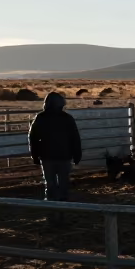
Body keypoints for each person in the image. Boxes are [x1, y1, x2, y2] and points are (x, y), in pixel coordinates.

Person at [28, 92, 83, 220]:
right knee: (63, 184)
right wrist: (77, 154)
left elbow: (33, 138)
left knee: (50, 184)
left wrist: (35, 155)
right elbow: (75, 138)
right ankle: (62, 212)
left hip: (47, 156)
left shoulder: (41, 118)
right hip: (64, 156)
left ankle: (51, 212)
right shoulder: (67, 118)